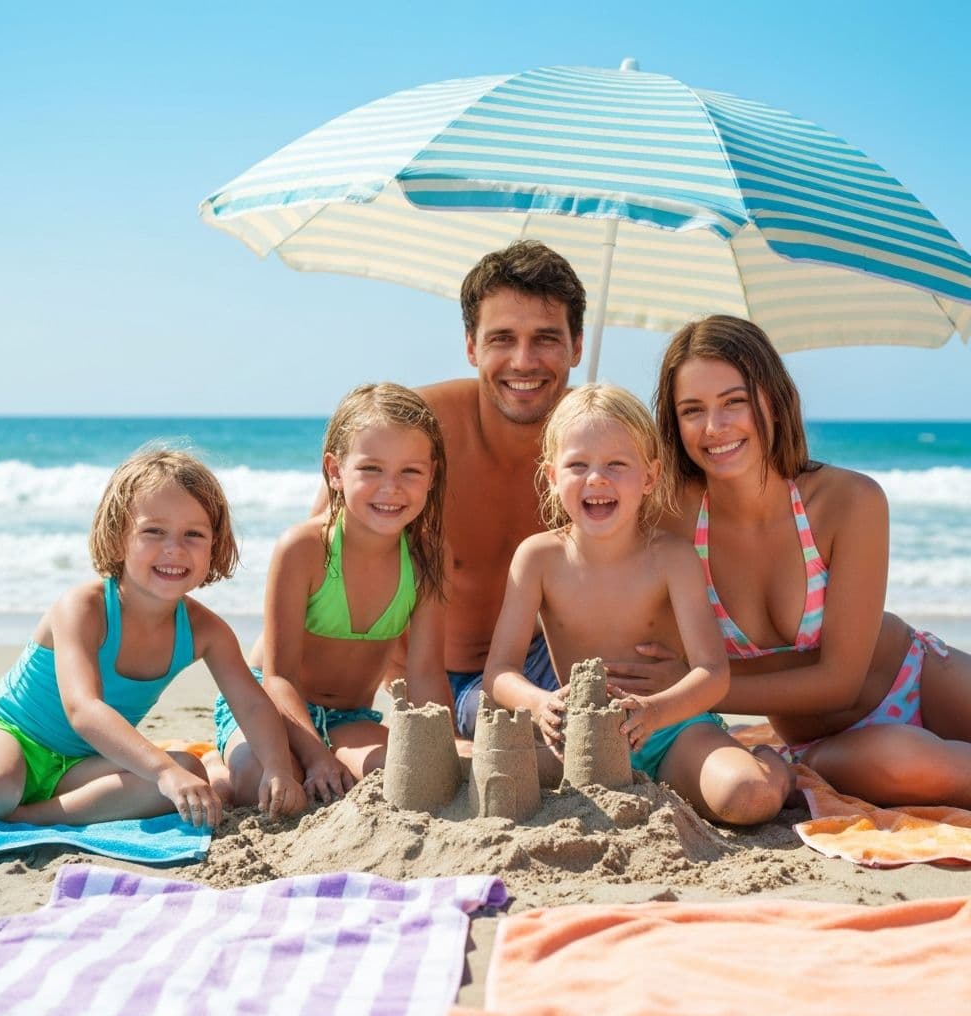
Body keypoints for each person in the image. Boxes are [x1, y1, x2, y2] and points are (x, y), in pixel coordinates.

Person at [613, 313, 971, 809]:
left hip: (921, 676)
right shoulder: (671, 522)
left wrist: (690, 691)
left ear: (774, 402)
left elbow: (841, 681)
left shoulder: (850, 500)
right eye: (692, 410)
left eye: (734, 402)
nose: (715, 427)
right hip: (828, 746)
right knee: (921, 768)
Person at [0, 448, 302, 828]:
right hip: (9, 737)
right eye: (154, 531)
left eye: (193, 534)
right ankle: (2, 805)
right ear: (118, 538)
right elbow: (83, 709)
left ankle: (26, 817)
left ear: (214, 546)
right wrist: (162, 771)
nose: (174, 548)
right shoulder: (83, 608)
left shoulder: (206, 631)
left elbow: (251, 704)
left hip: (82, 765)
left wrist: (278, 767)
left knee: (189, 773)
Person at [483, 384, 786, 824]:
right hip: (578, 737)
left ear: (649, 477)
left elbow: (713, 673)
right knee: (488, 772)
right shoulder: (538, 558)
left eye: (616, 464)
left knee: (748, 796)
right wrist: (538, 704)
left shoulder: (672, 558)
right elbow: (499, 671)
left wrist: (655, 711)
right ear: (551, 476)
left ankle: (775, 765)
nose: (596, 478)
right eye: (578, 465)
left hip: (671, 732)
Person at [208, 383, 451, 806]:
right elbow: (279, 678)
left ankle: (319, 759)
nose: (391, 488)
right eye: (371, 469)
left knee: (403, 770)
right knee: (263, 783)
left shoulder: (427, 555)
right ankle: (218, 763)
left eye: (410, 472)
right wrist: (317, 756)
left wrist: (443, 746)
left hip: (348, 719)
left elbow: (426, 673)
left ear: (431, 474)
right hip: (271, 707)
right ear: (335, 471)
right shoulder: (304, 548)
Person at [416, 240, 586, 739]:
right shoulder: (418, 428)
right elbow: (328, 556)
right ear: (472, 346)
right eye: (502, 339)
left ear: (577, 346)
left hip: (552, 665)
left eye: (546, 339)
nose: (523, 361)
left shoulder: (603, 440)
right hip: (446, 684)